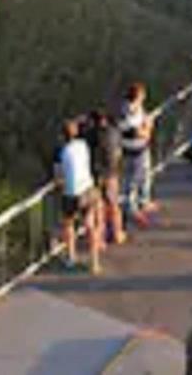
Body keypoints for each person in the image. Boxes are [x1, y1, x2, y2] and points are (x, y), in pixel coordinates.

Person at [55, 118, 101, 273]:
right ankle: (94, 262)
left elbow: (58, 177)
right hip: (87, 188)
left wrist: (60, 185)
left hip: (72, 193)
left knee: (68, 224)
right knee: (90, 225)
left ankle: (71, 256)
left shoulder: (61, 152)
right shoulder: (83, 145)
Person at [85, 109, 127, 246]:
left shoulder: (90, 135)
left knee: (99, 207)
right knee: (114, 204)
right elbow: (119, 151)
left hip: (95, 174)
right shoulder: (114, 132)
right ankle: (117, 233)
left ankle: (100, 239)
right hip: (111, 173)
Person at [118, 82, 157, 228]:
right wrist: (147, 131)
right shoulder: (128, 111)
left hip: (140, 147)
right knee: (133, 179)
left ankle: (144, 200)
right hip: (134, 148)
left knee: (145, 175)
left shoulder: (135, 107)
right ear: (138, 95)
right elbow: (134, 131)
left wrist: (147, 124)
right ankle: (131, 207)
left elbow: (143, 121)